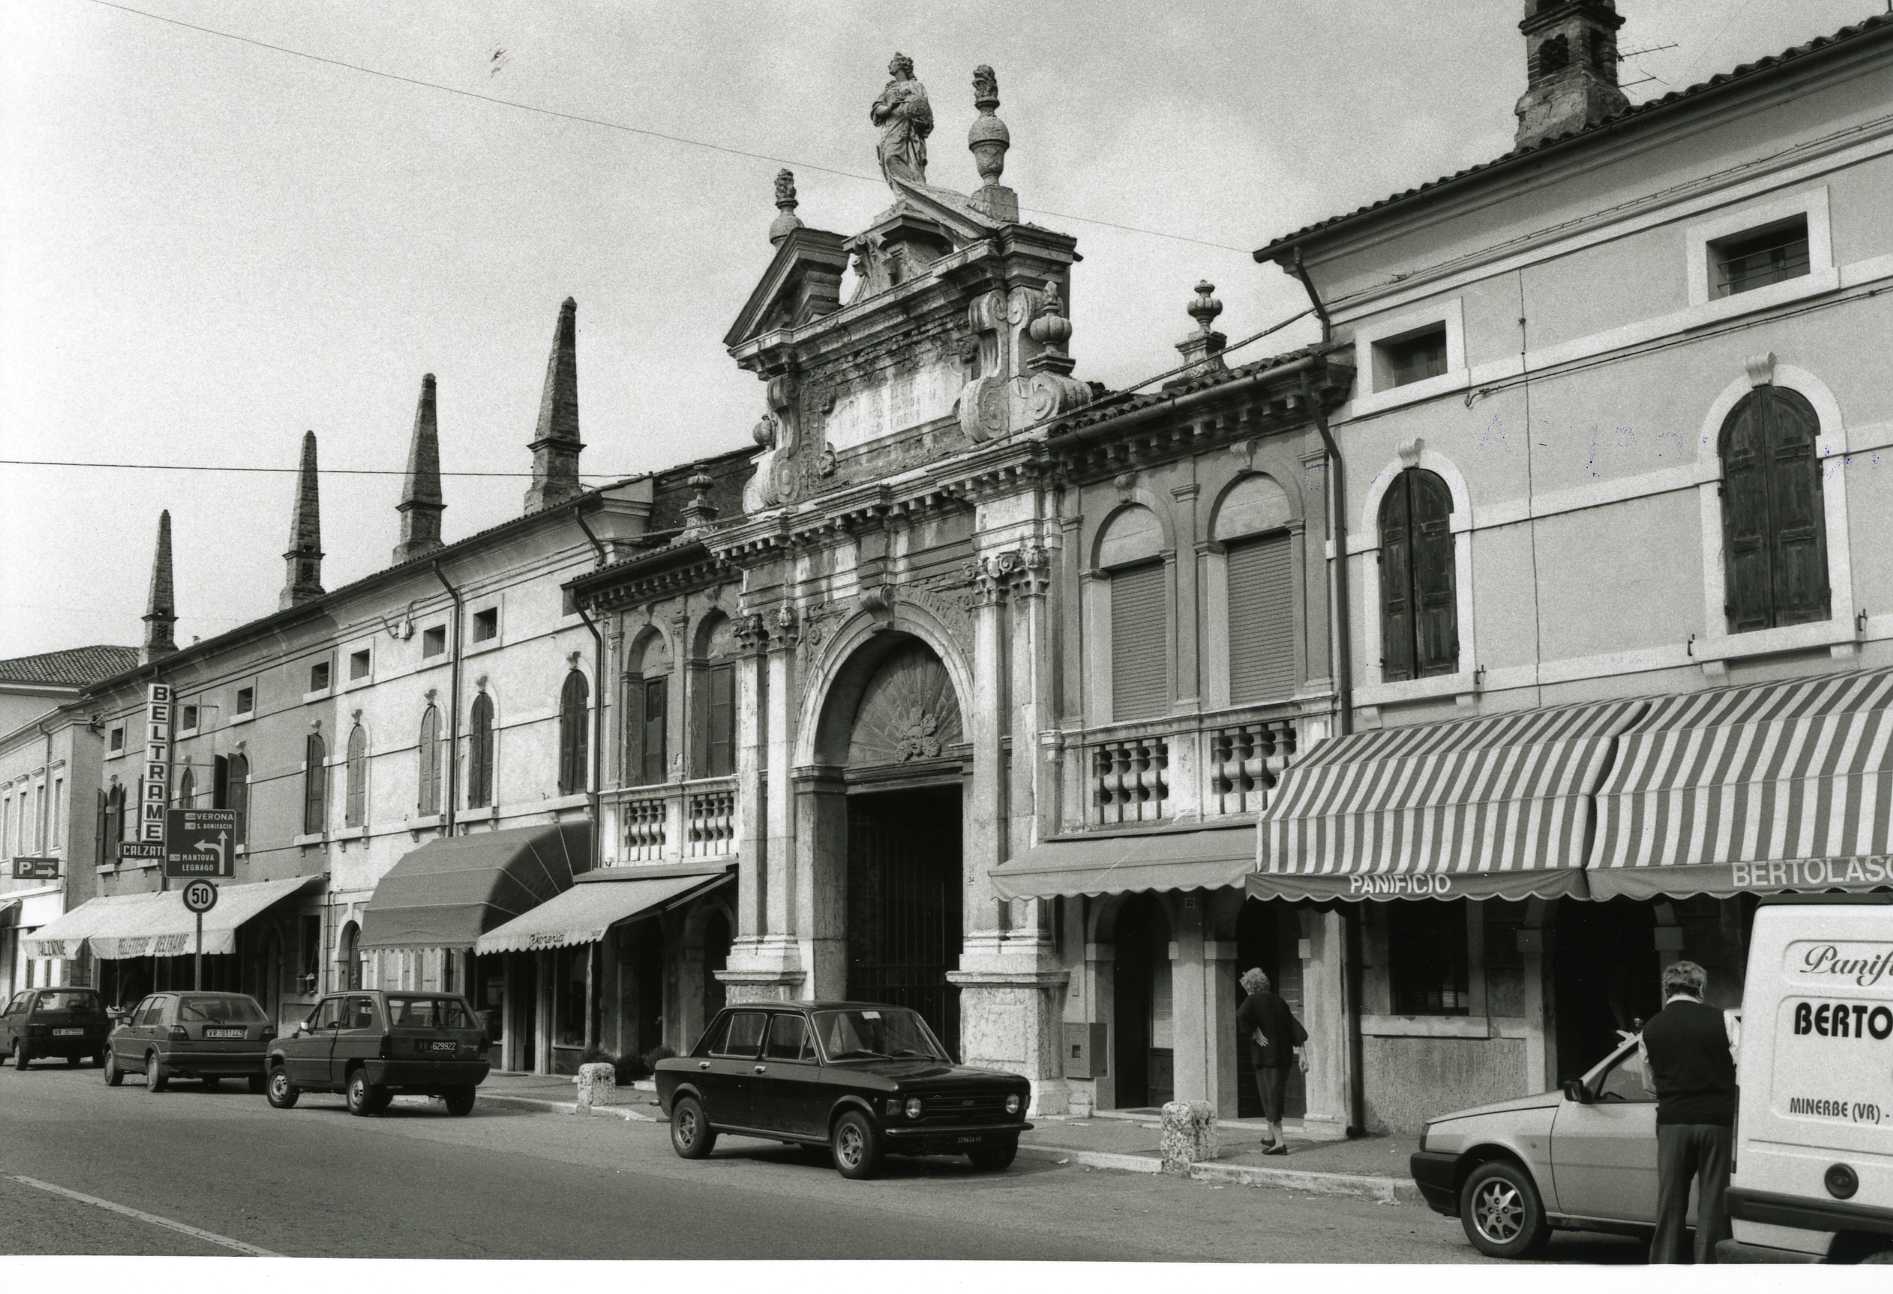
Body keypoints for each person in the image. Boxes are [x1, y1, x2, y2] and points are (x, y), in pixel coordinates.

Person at [1638, 960, 1736, 1264]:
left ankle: (1665, 1268)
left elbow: (1649, 1084)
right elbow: (1741, 1069)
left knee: (1670, 1202)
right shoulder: (1725, 1020)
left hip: (1673, 1122)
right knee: (1712, 1204)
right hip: (1716, 1122)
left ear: (1667, 989)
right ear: (1701, 989)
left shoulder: (1650, 1029)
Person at [1235, 967, 1308, 1154]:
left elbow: (1241, 1016)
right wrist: (1302, 1055)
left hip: (1265, 1057)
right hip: (1283, 1057)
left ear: (1250, 986)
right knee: (1274, 1094)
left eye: (1246, 987)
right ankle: (1270, 1136)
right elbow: (1294, 1027)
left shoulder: (1251, 1001)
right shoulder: (1279, 1000)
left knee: (1270, 1097)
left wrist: (1254, 1031)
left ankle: (1280, 1143)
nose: (1246, 990)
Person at [869, 53, 932, 188]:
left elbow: (923, 109)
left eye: (892, 62)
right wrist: (890, 107)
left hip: (910, 129)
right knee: (889, 158)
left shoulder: (916, 86)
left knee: (908, 162)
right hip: (891, 128)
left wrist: (915, 116)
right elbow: (877, 109)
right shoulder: (889, 89)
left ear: (901, 65)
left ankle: (915, 193)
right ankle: (907, 194)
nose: (889, 65)